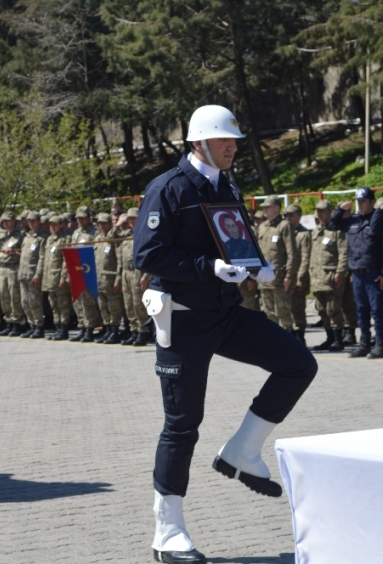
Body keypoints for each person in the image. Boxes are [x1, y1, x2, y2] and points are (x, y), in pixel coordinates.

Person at [134, 105, 317, 564]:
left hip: (225, 312)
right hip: (182, 316)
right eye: (223, 141)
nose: (232, 146)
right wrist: (207, 267)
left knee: (298, 363)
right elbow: (148, 255)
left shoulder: (226, 185)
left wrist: (258, 264)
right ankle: (168, 532)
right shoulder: (168, 189)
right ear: (199, 143)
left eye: (234, 140)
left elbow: (234, 236)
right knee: (182, 426)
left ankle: (242, 451)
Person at [328, 187, 383, 358]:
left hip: (374, 272)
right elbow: (332, 225)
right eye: (358, 201)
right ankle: (364, 343)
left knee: (377, 310)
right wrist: (340, 210)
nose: (360, 204)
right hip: (357, 272)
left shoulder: (378, 219)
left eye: (364, 201)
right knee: (361, 309)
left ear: (372, 202)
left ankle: (380, 344)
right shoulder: (353, 220)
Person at [308, 199, 348, 351]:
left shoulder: (338, 231)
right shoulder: (316, 231)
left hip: (331, 277)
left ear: (330, 211)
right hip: (317, 278)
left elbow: (344, 254)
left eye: (323, 210)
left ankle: (338, 340)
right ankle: (329, 337)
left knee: (333, 310)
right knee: (321, 309)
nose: (320, 213)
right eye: (318, 210)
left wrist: (340, 274)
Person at [257, 195, 299, 333]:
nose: (265, 210)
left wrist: (289, 276)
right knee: (269, 314)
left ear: (277, 208)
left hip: (279, 279)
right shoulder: (263, 226)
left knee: (283, 312)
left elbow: (292, 253)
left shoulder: (284, 226)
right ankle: (274, 344)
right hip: (264, 278)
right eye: (264, 207)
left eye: (268, 207)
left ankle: (290, 344)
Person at [63, 208, 101, 342]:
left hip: (87, 271)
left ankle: (90, 328)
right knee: (77, 301)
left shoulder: (95, 233)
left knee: (87, 302)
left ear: (89, 218)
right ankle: (82, 327)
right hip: (76, 271)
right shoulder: (76, 233)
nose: (80, 220)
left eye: (83, 218)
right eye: (78, 218)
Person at [118, 208, 152, 346]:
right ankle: (133, 331)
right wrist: (118, 224)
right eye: (129, 219)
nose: (132, 221)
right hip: (126, 272)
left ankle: (143, 332)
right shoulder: (125, 235)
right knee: (129, 304)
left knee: (139, 304)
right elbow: (108, 237)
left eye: (134, 218)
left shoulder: (145, 234)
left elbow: (151, 257)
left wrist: (146, 276)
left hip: (139, 272)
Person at [37, 215, 70, 340]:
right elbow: (44, 259)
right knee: (54, 305)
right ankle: (58, 328)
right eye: (50, 225)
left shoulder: (65, 238)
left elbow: (66, 261)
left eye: (55, 224)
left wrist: (63, 278)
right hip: (48, 278)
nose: (52, 227)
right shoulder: (49, 239)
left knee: (63, 305)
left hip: (58, 277)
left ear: (61, 225)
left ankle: (64, 329)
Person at [94, 212, 125, 344]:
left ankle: (114, 331)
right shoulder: (98, 237)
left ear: (109, 224)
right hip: (99, 279)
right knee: (103, 307)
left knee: (114, 308)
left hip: (111, 279)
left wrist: (118, 279)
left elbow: (119, 261)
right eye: (99, 223)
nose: (101, 226)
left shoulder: (113, 238)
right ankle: (107, 330)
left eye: (104, 223)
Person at [284, 204, 311, 343]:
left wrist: (301, 278)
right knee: (287, 309)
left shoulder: (303, 234)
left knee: (298, 310)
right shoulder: (286, 232)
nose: (288, 218)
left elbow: (305, 258)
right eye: (286, 215)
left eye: (291, 215)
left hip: (298, 278)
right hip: (287, 278)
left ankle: (301, 338)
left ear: (299, 216)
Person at [18, 211, 47, 338]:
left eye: (33, 220)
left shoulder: (42, 238)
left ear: (39, 221)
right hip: (23, 274)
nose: (31, 223)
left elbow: (42, 258)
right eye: (29, 221)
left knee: (35, 302)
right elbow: (23, 257)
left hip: (33, 274)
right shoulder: (26, 237)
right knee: (25, 302)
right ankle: (32, 325)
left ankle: (39, 326)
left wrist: (38, 275)